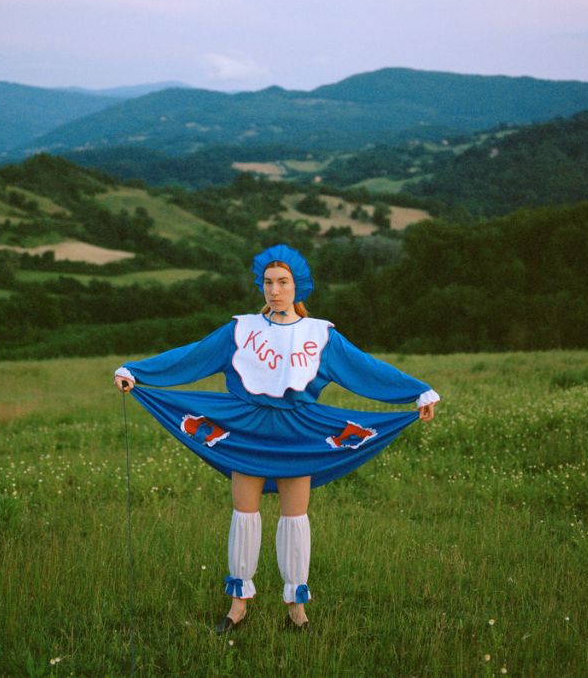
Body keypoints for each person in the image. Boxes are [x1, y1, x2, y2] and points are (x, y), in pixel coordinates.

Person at [113, 244, 438, 633]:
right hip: (246, 430)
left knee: (295, 518)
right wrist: (136, 371)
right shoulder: (240, 329)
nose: (275, 290)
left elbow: (365, 368)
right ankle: (238, 606)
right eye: (268, 282)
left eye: (283, 282)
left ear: (298, 285)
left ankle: (296, 609)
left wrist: (417, 391)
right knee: (244, 515)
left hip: (299, 433)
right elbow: (192, 356)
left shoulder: (320, 335)